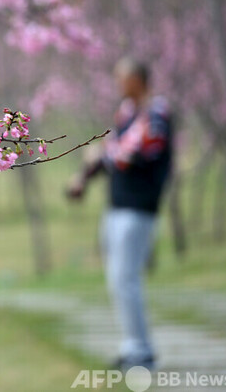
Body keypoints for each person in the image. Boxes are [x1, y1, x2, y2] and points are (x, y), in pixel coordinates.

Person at [67, 57, 173, 371]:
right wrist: (85, 174)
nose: (117, 84)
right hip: (118, 206)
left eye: (122, 78)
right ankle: (132, 346)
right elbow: (114, 153)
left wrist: (102, 155)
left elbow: (135, 153)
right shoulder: (127, 114)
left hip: (138, 208)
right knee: (117, 279)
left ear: (137, 80)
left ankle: (141, 351)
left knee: (127, 278)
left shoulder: (156, 114)